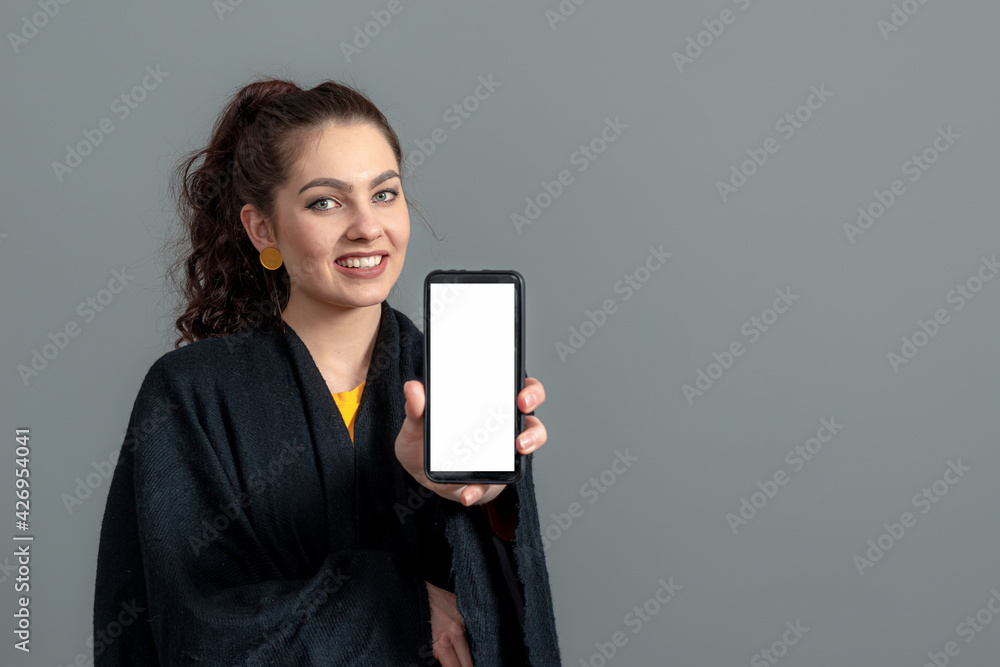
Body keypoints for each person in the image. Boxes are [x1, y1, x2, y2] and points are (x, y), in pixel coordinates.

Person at [92, 77, 562, 666]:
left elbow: (513, 626)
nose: (367, 226)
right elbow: (192, 629)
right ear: (263, 229)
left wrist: (478, 498)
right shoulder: (191, 394)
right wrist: (396, 603)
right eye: (325, 201)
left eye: (384, 194)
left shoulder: (447, 383)